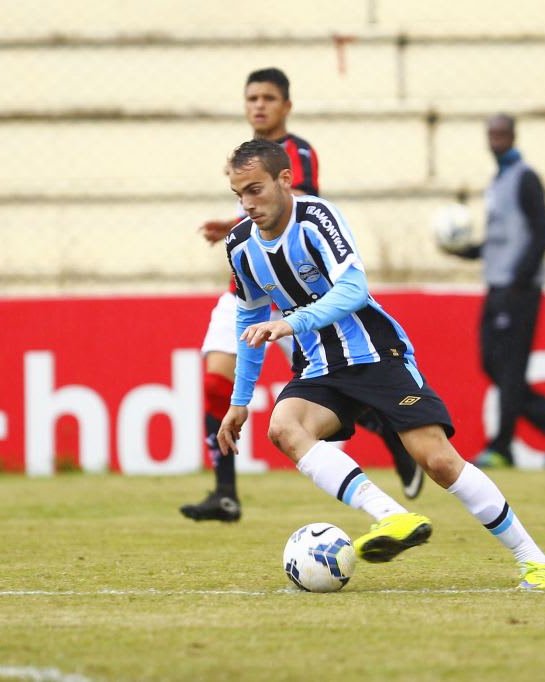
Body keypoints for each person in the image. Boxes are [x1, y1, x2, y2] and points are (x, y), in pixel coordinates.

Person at [216, 138, 545, 590]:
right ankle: (392, 516)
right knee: (283, 427)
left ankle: (534, 561)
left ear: (285, 180)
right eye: (238, 194)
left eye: (255, 190)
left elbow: (354, 289)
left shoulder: (317, 217)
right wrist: (240, 400)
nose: (247, 204)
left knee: (438, 462)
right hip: (320, 366)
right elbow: (248, 318)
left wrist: (292, 323)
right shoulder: (240, 245)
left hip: (376, 354)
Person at [181, 68, 423, 523]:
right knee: (217, 379)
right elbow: (254, 228)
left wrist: (236, 227)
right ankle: (226, 493)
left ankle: (392, 428)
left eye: (268, 98)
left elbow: (290, 215)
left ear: (286, 106)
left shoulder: (297, 153)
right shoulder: (244, 160)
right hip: (253, 289)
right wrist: (231, 229)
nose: (258, 105)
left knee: (336, 380)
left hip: (302, 293)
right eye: (251, 97)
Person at [443, 113, 545, 468]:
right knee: (493, 364)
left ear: (513, 136)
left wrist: (521, 278)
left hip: (518, 289)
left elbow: (543, 232)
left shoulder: (525, 178)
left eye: (502, 133)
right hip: (498, 284)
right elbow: (498, 240)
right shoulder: (498, 181)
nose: (496, 139)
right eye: (492, 134)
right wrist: (467, 250)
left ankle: (502, 447)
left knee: (509, 368)